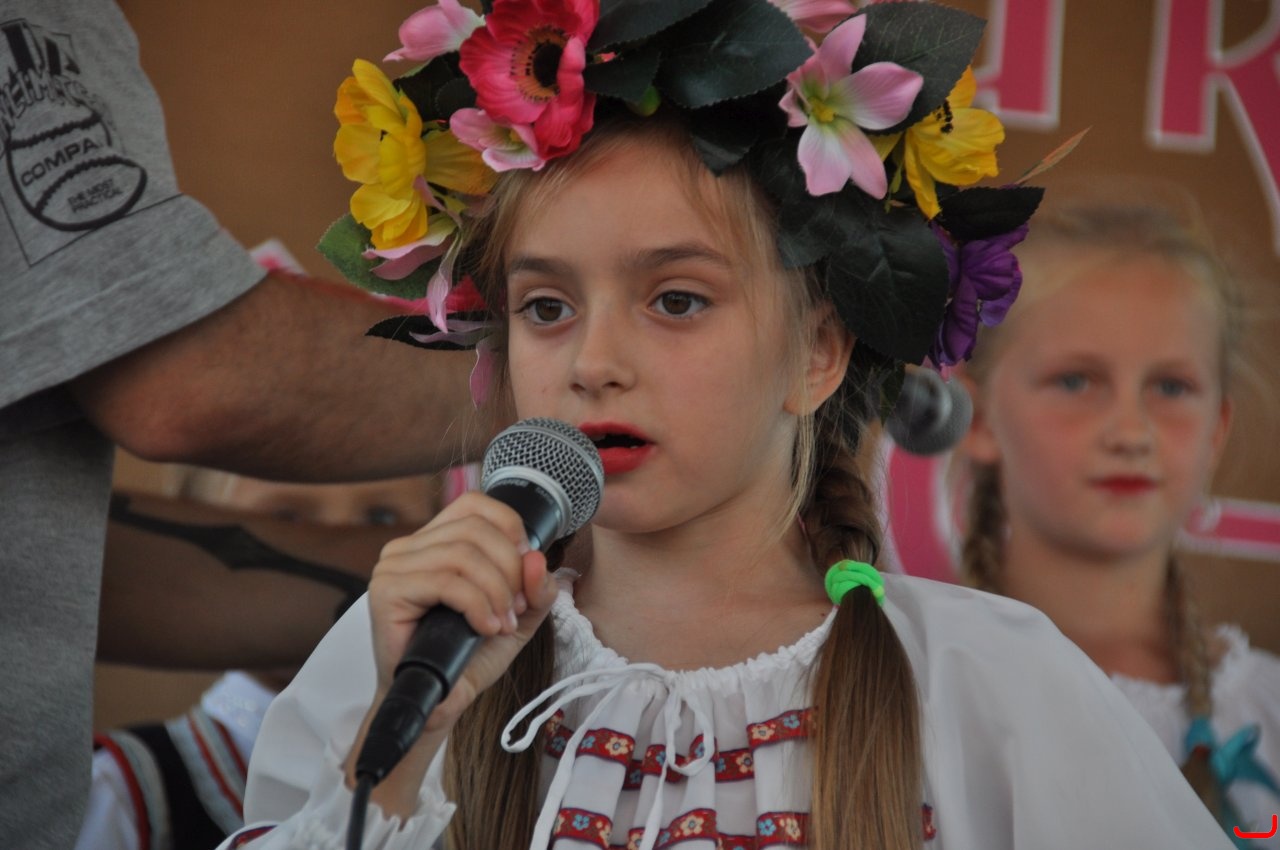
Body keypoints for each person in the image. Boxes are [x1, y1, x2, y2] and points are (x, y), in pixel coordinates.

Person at [222, 2, 1235, 848]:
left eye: (676, 300)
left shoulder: (986, 681)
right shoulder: (404, 653)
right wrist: (401, 751)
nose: (592, 362)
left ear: (817, 352)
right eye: (546, 307)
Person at [0, 4, 497, 848]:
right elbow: (179, 377)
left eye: (386, 515)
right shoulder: (134, 795)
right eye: (553, 302)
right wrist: (573, 373)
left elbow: (54, 561)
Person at [954, 196, 1280, 846]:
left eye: (1171, 387)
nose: (1131, 432)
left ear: (1216, 431)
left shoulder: (1266, 710)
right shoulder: (919, 686)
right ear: (981, 418)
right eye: (1076, 381)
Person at [79, 466, 447, 850]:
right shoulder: (125, 793)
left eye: (381, 518)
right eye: (286, 519)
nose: (339, 547)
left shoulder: (460, 782)